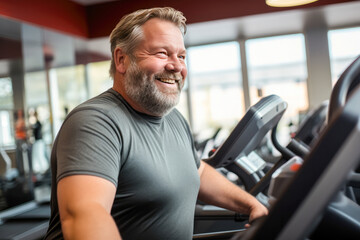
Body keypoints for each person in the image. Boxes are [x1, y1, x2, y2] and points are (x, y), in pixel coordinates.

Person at [44, 7, 268, 240]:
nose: (176, 66)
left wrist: (251, 205)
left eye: (181, 56)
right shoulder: (95, 122)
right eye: (162, 53)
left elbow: (197, 172)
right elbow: (86, 216)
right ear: (122, 60)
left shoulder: (172, 118)